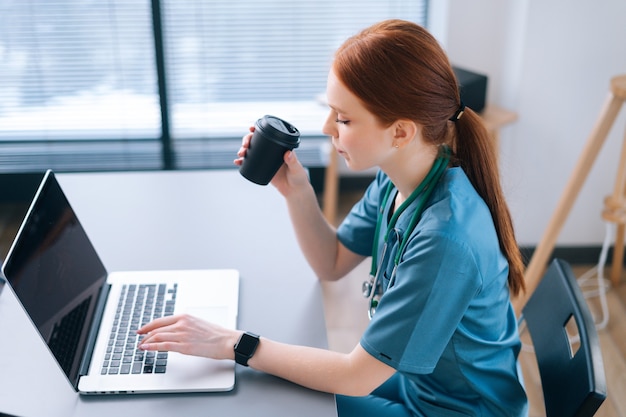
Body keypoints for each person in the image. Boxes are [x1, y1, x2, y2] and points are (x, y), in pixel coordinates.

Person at [137, 19, 529, 416]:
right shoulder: (400, 179)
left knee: (272, 401)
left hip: (457, 410)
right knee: (268, 387)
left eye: (343, 119)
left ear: (400, 132)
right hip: (420, 385)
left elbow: (357, 375)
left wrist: (231, 342)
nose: (327, 129)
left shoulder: (446, 239)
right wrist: (296, 190)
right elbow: (332, 262)